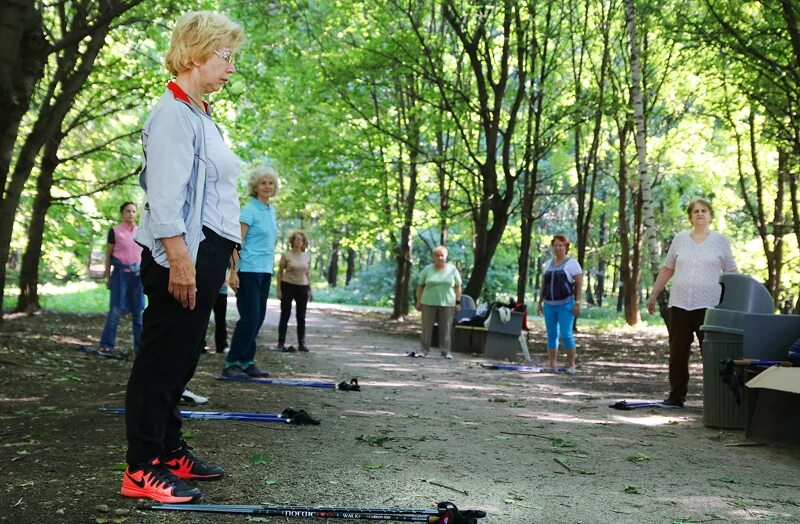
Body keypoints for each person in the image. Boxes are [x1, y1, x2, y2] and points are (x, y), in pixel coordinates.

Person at [121, 11, 244, 504]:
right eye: (226, 55)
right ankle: (142, 467)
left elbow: (215, 196)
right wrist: (180, 260)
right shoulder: (172, 113)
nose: (232, 67)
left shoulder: (198, 113)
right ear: (197, 52)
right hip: (183, 253)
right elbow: (166, 198)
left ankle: (170, 451)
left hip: (207, 250)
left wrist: (225, 255)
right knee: (162, 360)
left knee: (182, 359)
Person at [647, 198, 737, 408]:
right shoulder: (680, 239)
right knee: (678, 351)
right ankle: (676, 397)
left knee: (711, 353)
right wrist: (653, 295)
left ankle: (717, 399)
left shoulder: (719, 241)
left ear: (710, 215)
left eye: (704, 210)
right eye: (695, 211)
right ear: (690, 216)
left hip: (709, 306)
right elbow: (668, 268)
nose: (700, 214)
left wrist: (733, 301)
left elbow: (731, 272)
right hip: (680, 304)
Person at [222, 166, 279, 378]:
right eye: (263, 183)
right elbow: (237, 243)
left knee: (259, 318)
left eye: (270, 183)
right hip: (247, 271)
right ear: (255, 187)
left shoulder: (270, 211)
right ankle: (231, 363)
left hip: (264, 271)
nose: (267, 186)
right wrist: (233, 272)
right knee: (250, 318)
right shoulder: (249, 210)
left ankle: (247, 362)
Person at [98, 202, 145, 356]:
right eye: (127, 211)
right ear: (122, 213)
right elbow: (108, 254)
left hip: (138, 276)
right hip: (120, 274)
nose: (131, 214)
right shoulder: (115, 231)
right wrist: (107, 276)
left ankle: (141, 348)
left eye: (133, 211)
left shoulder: (142, 231)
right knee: (115, 310)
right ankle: (106, 346)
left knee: (139, 312)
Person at [537, 234, 583, 374]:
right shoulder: (548, 264)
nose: (558, 248)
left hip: (566, 304)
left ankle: (571, 365)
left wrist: (578, 302)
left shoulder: (572, 264)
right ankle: (552, 365)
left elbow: (579, 284)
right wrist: (540, 302)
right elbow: (544, 284)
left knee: (566, 334)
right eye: (555, 245)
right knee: (552, 334)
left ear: (566, 247)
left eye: (561, 245)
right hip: (549, 304)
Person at [413, 245, 462, 359]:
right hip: (428, 301)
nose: (440, 258)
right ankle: (424, 350)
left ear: (446, 256)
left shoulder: (452, 269)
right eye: (437, 255)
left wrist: (458, 302)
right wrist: (418, 301)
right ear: (433, 256)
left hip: (447, 303)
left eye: (442, 255)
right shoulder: (427, 269)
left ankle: (446, 352)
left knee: (446, 328)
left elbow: (458, 286)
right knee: (426, 328)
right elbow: (420, 286)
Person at [276, 230, 313, 352]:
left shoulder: (306, 256)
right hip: (288, 285)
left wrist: (311, 290)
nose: (298, 241)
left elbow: (308, 273)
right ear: (292, 241)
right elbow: (280, 272)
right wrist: (279, 289)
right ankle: (280, 343)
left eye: (300, 239)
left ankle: (302, 343)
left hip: (302, 287)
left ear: (303, 242)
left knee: (301, 316)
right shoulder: (286, 255)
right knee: (285, 315)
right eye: (296, 239)